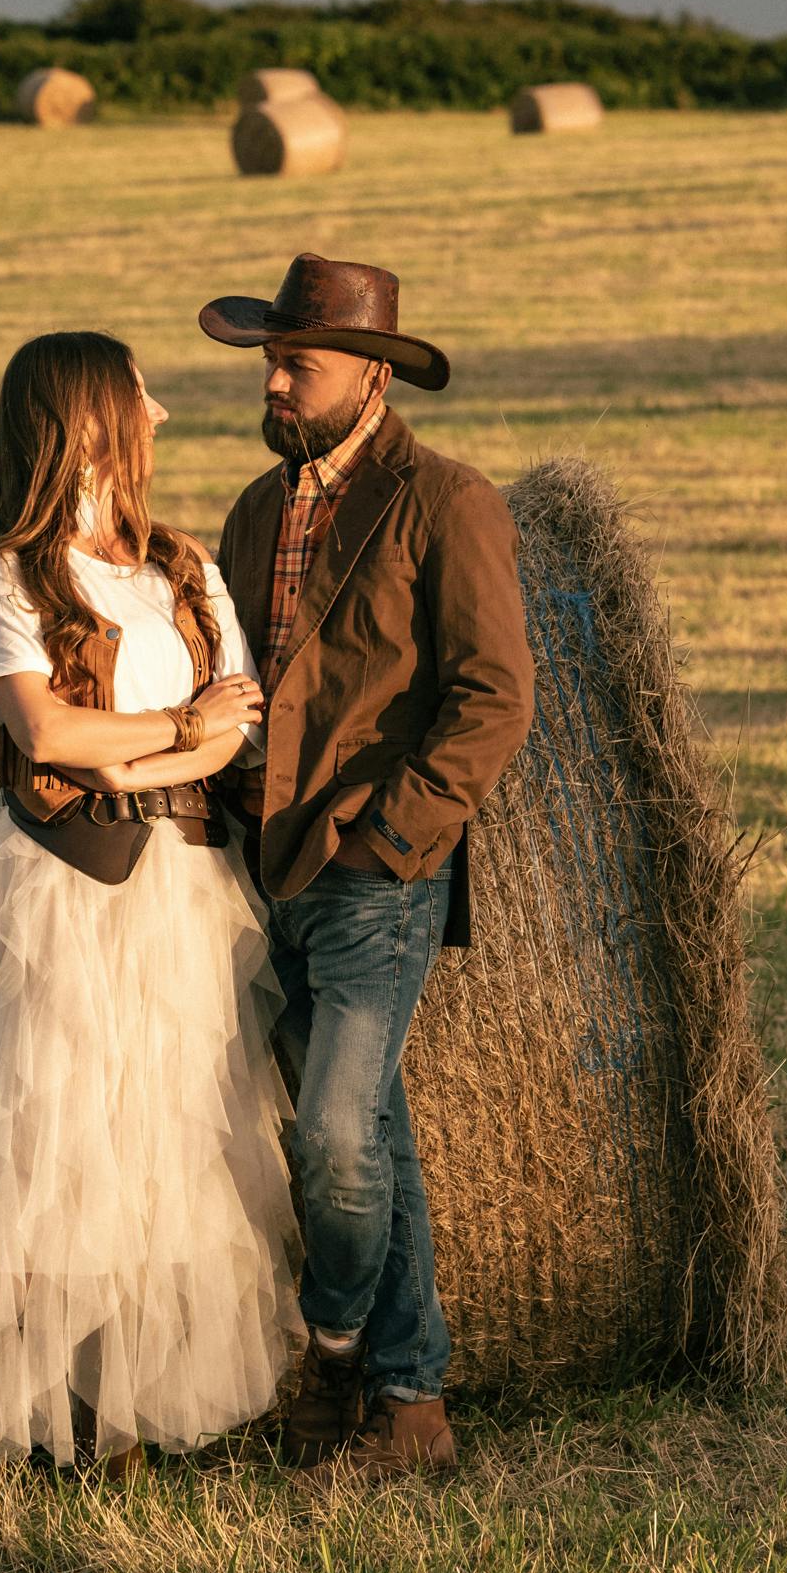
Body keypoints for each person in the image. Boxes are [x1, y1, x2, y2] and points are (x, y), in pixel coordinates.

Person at [0, 330, 302, 1534]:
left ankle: (120, 1421)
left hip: (187, 885)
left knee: (166, 1147)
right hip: (65, 887)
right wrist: (177, 728)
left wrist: (149, 752)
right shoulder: (8, 577)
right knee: (30, 1153)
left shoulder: (183, 567)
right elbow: (46, 734)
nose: (159, 413)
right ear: (90, 420)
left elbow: (241, 722)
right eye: (139, 396)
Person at [201, 253, 535, 1479]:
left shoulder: (445, 501)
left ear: (373, 377)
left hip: (373, 872)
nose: (275, 383)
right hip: (260, 866)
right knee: (371, 1133)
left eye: (298, 364)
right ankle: (411, 1400)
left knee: (336, 1134)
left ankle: (335, 1349)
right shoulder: (254, 510)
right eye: (270, 362)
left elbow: (493, 696)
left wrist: (394, 837)